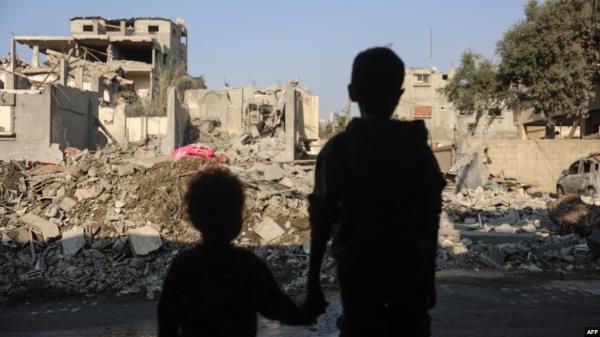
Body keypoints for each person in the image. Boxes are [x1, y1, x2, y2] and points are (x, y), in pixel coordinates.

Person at [304, 47, 446, 337]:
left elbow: (321, 222)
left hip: (360, 275)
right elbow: (431, 217)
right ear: (399, 94)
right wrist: (428, 275)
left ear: (352, 92)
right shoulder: (417, 151)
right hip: (409, 274)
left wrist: (313, 283)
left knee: (360, 328)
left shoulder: (339, 151)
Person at [158, 166, 312, 337]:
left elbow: (166, 320)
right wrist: (306, 313)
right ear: (236, 221)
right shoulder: (248, 265)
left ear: (194, 219)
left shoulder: (183, 265)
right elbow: (276, 307)